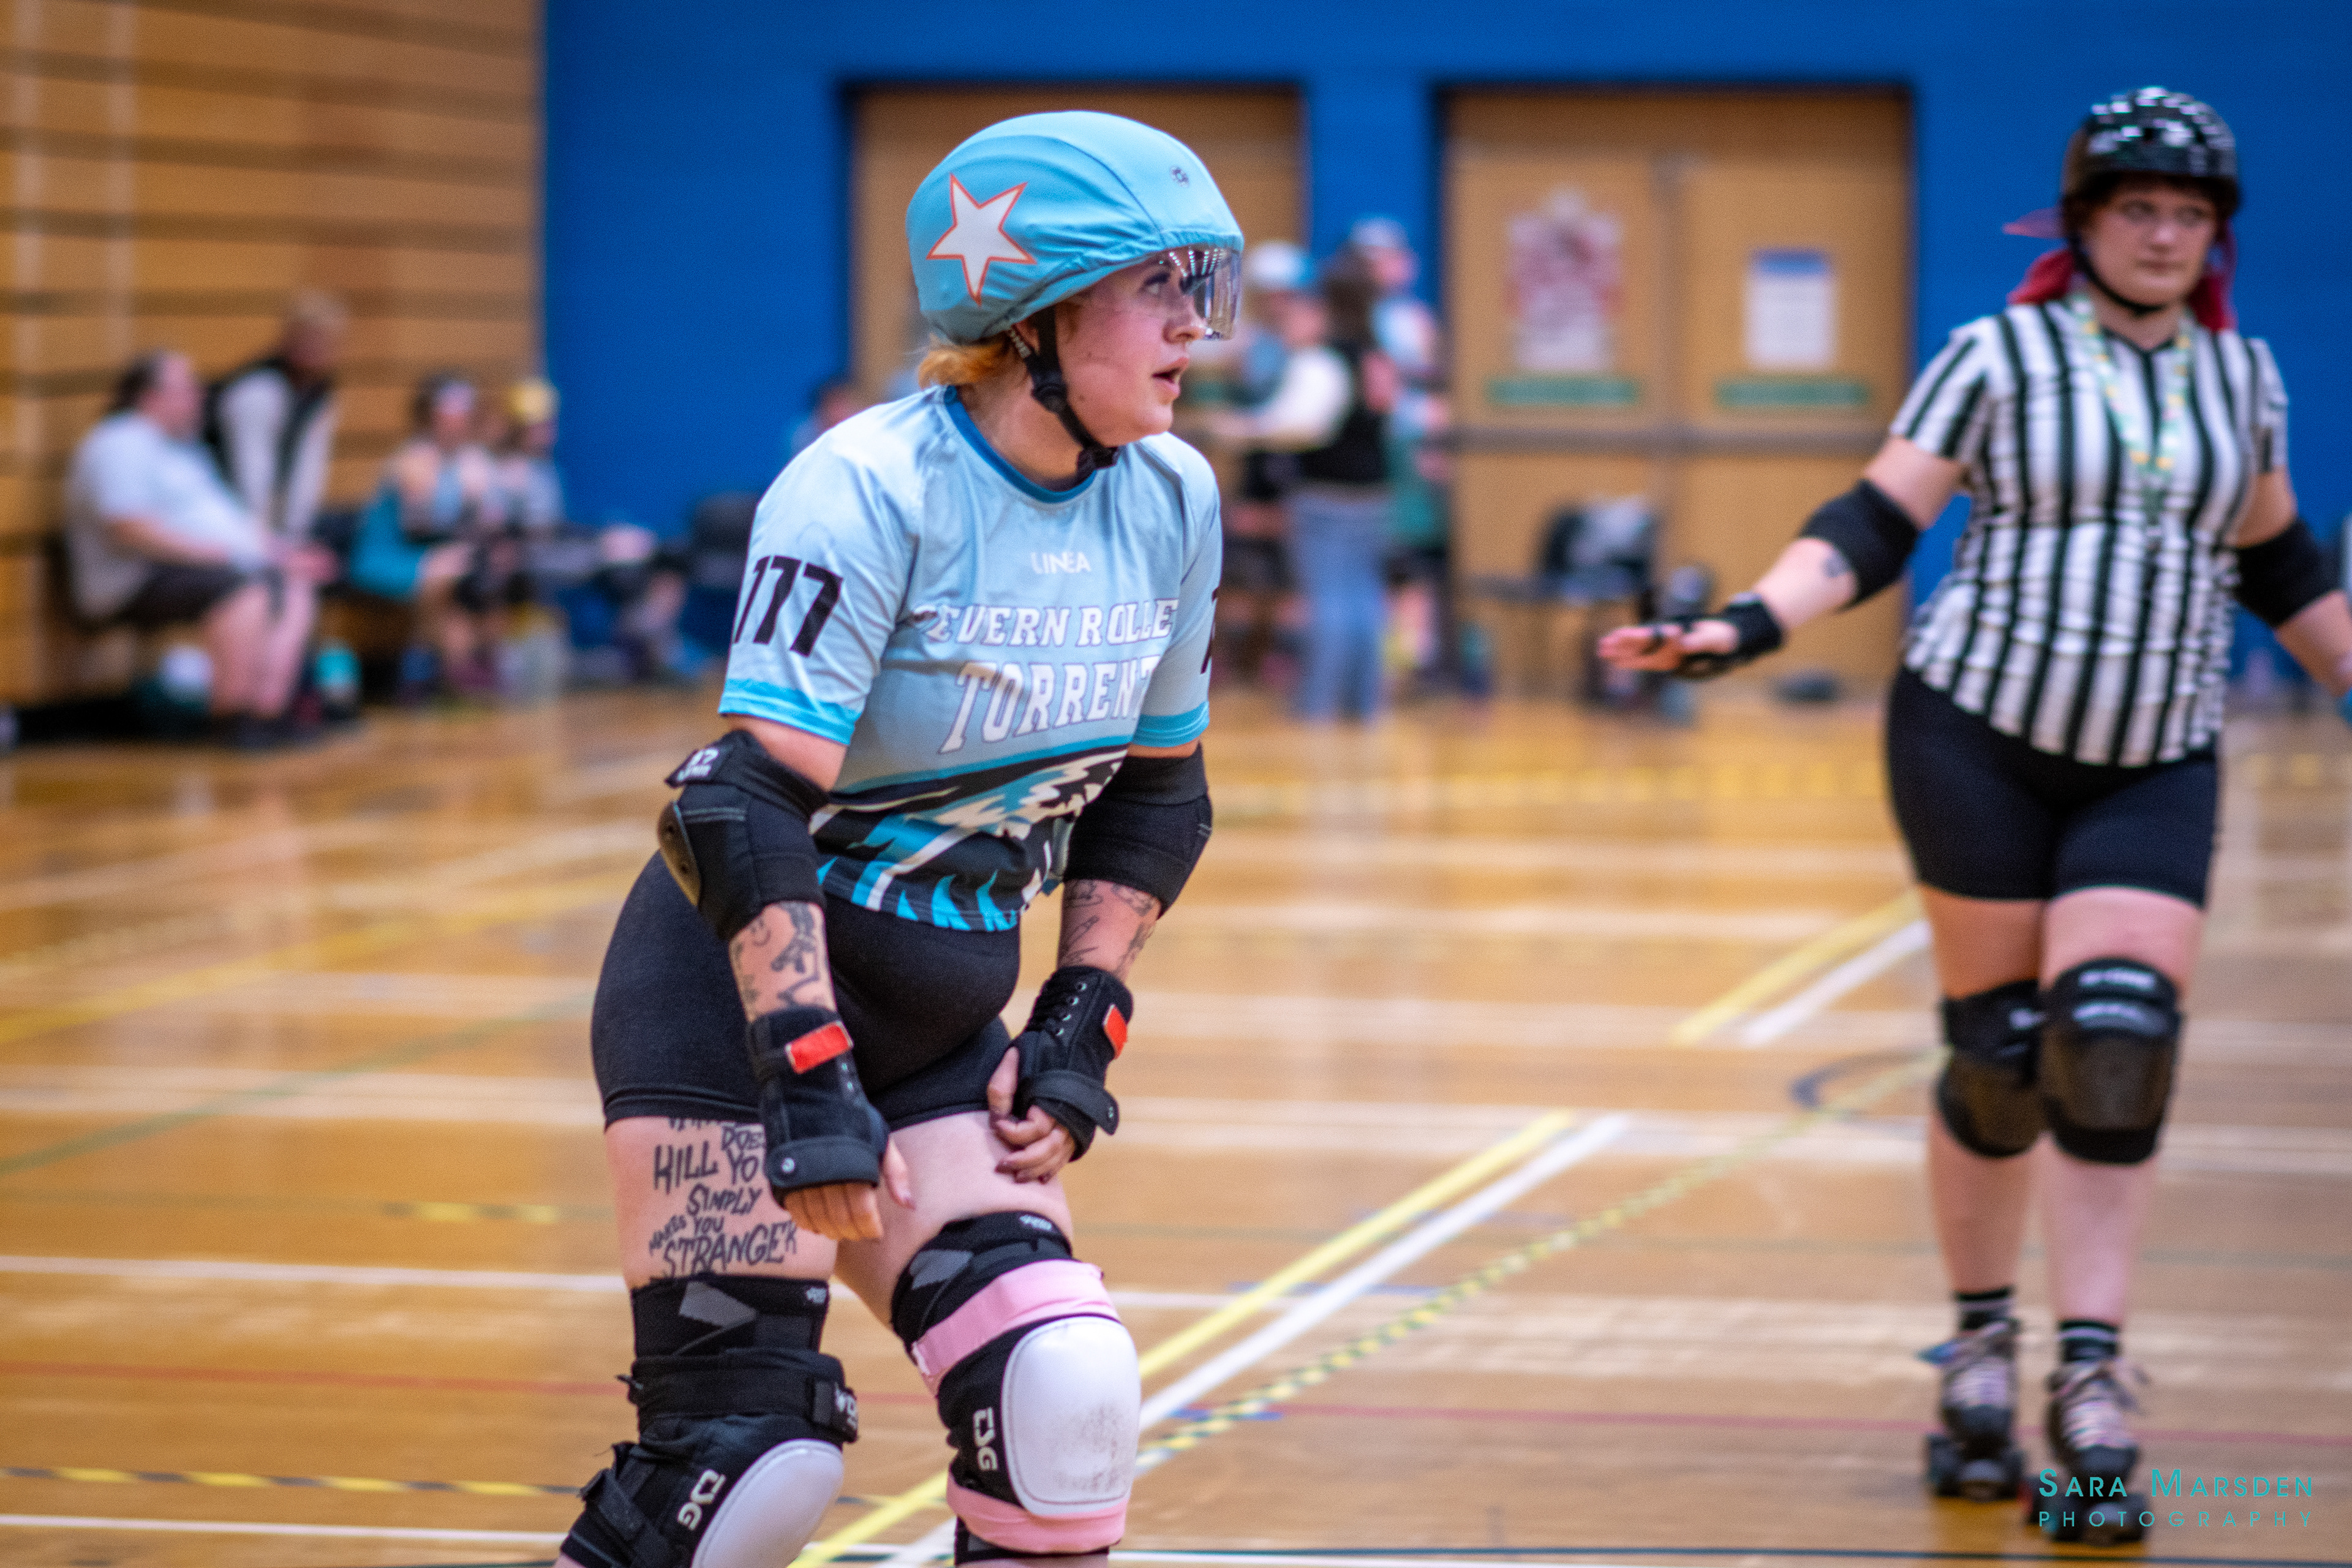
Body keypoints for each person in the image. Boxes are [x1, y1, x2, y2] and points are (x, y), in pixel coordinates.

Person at [1600, 88, 2352, 1542]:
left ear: (2214, 235)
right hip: (1978, 742)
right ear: (2084, 220)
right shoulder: (1996, 355)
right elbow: (1875, 521)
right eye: (2136, 208)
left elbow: (2278, 563)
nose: (2162, 235)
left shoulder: (2241, 376)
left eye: (2188, 215)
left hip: (2155, 754)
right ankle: (1978, 1350)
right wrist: (1747, 623)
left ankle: (2090, 1386)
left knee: (2115, 1045)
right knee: (2002, 1058)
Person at [558, 110, 1237, 1568]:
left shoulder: (1174, 496)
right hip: (740, 1010)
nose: (1196, 324)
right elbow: (739, 801)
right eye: (1159, 288)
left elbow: (1156, 795)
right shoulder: (871, 486)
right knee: (745, 1468)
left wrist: (1080, 1015)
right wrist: (805, 1072)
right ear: (1036, 315)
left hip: (936, 1024)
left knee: (1060, 1394)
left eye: (1200, 287)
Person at [64, 350, 330, 747]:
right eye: (187, 388)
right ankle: (232, 718)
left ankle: (269, 712)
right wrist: (214, 554)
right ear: (151, 397)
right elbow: (129, 527)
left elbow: (232, 523)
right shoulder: (120, 442)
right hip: (132, 579)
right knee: (243, 588)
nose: (198, 396)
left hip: (191, 569)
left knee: (292, 583)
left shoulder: (185, 450)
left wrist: (281, 555)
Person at [1215, 248, 1398, 722]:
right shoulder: (1377, 354)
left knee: (1328, 599)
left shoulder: (1323, 358)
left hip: (1327, 490)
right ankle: (1363, 704)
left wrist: (1238, 429)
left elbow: (1300, 425)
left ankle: (1319, 703)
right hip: (1373, 489)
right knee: (1362, 599)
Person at [347, 373, 509, 699]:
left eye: (461, 415)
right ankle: (446, 669)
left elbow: (493, 523)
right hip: (390, 554)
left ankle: (481, 662)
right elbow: (417, 530)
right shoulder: (413, 458)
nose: (455, 423)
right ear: (429, 417)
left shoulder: (474, 460)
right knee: (446, 571)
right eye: (447, 415)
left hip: (442, 551)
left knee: (488, 567)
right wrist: (472, 502)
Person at [1215, 240, 1311, 684]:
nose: (1278, 303)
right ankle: (1231, 659)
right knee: (1240, 570)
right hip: (1256, 468)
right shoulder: (1248, 343)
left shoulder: (1304, 342)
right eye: (1271, 295)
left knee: (1283, 576)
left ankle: (1263, 656)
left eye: (1285, 294)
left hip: (1296, 468)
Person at [203, 290, 347, 550]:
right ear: (288, 338)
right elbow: (251, 478)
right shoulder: (257, 390)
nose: (314, 348)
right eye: (307, 337)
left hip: (268, 524)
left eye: (324, 340)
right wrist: (272, 549)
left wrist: (294, 539)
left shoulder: (320, 394)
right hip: (219, 507)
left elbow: (308, 473)